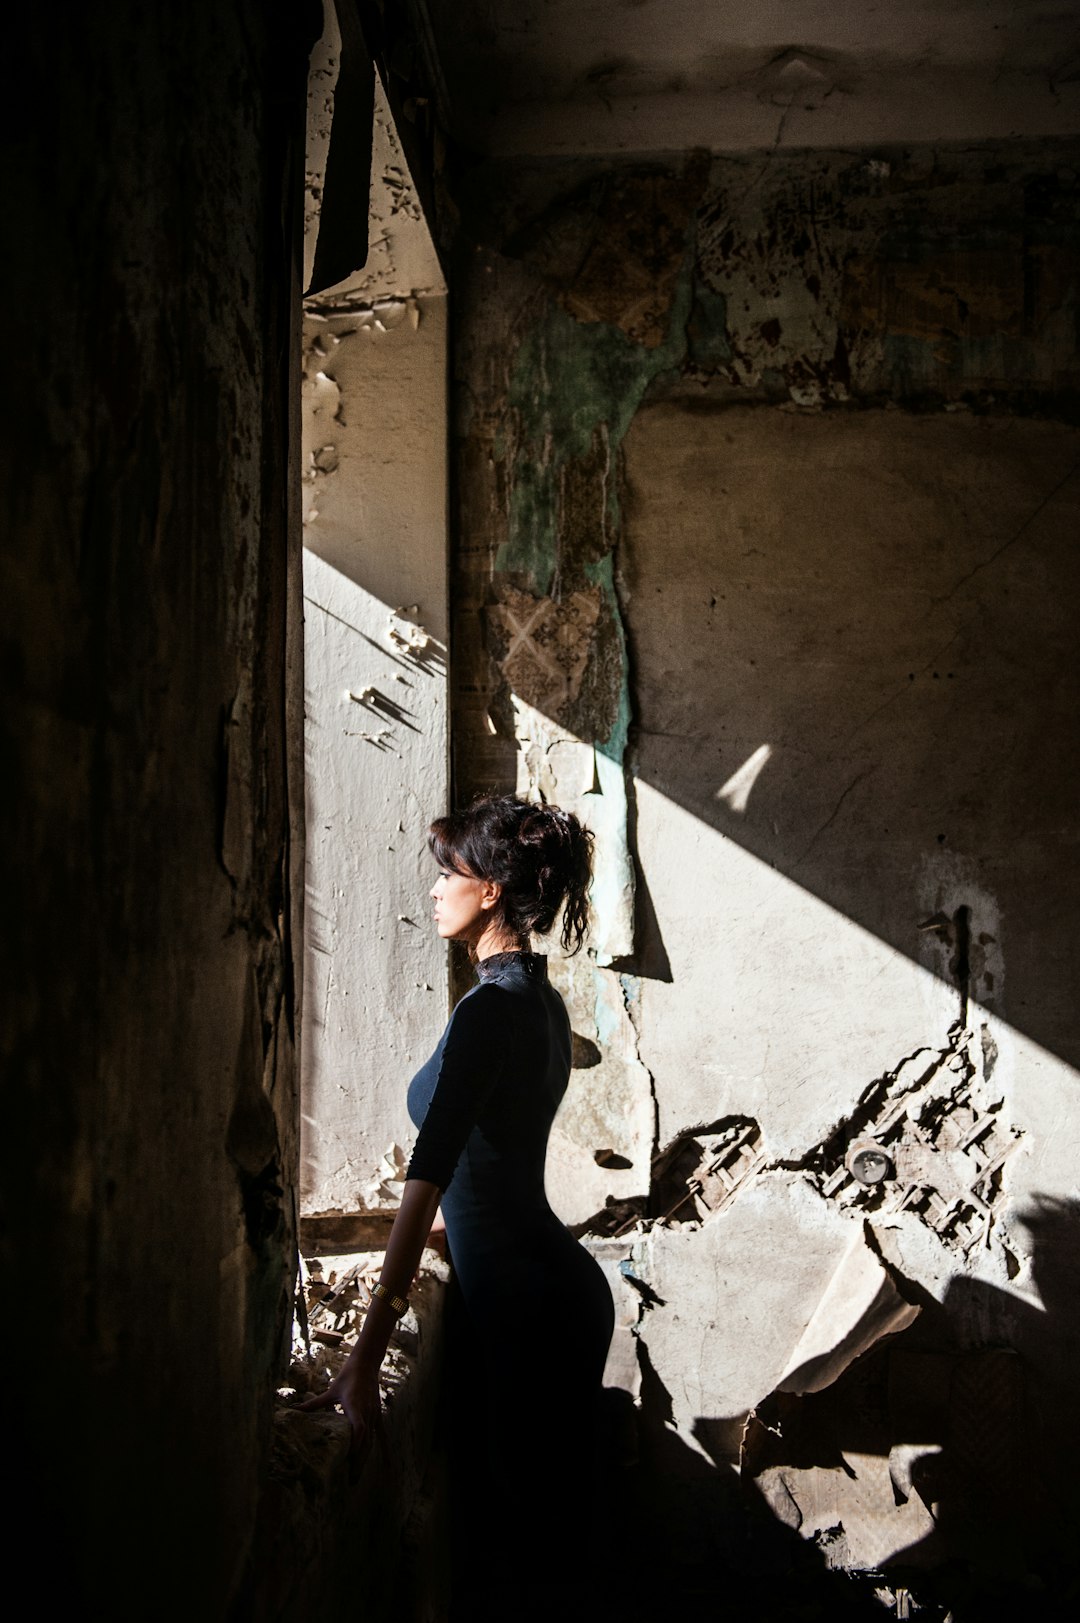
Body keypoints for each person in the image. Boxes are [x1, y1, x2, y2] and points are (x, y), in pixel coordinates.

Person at [301, 793, 616, 1617]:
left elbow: (426, 1177)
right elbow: (493, 1161)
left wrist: (365, 1357)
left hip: (529, 1307)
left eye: (450, 872)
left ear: (493, 892)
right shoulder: (536, 999)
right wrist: (459, 1222)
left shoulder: (489, 1014)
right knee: (547, 1538)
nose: (436, 889)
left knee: (534, 1551)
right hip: (553, 1290)